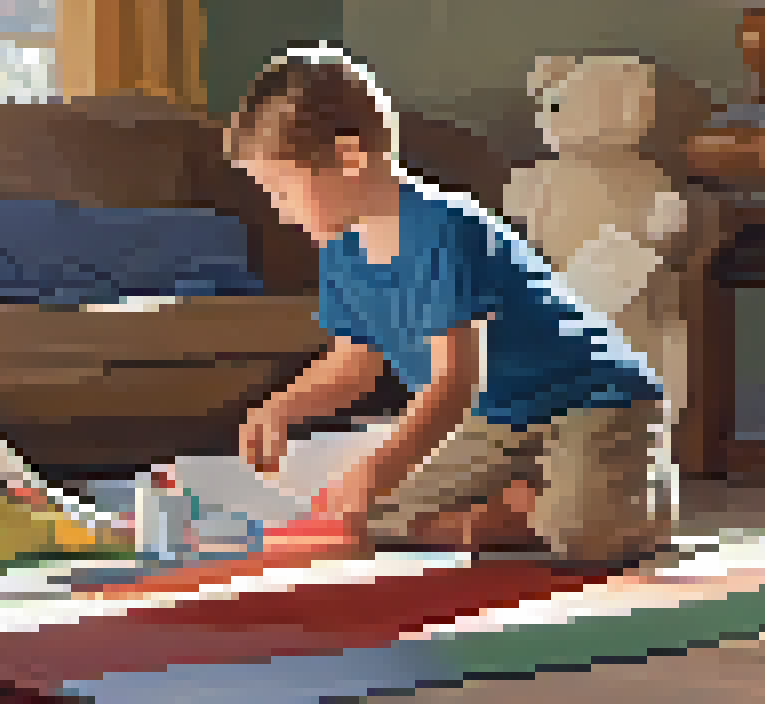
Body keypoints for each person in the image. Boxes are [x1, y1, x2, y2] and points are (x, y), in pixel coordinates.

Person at [226, 46, 675, 570]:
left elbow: (452, 386)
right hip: (492, 422)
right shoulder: (340, 249)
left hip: (590, 402)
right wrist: (282, 407)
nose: (278, 211)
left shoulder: (444, 229)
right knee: (363, 513)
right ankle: (507, 512)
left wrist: (373, 473)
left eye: (282, 189)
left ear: (349, 159)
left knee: (578, 538)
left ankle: (634, 498)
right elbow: (355, 363)